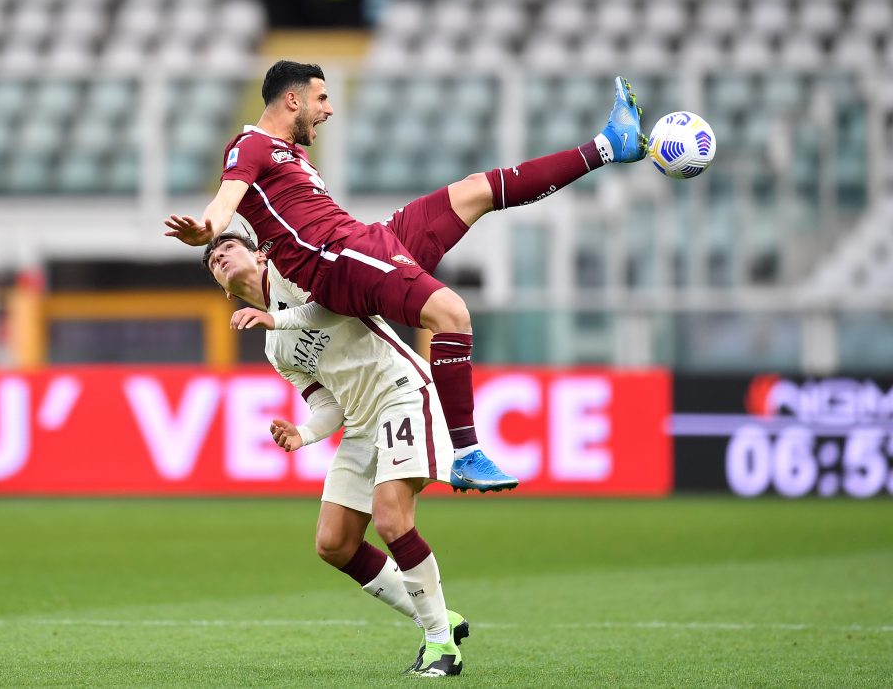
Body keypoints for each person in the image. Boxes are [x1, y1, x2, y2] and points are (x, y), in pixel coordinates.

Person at [165, 60, 647, 491]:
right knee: (452, 313)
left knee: (476, 189)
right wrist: (207, 227)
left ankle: (608, 146)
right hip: (343, 258)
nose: (329, 110)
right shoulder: (251, 145)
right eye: (322, 98)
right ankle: (466, 452)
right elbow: (227, 197)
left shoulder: (294, 156)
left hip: (367, 241)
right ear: (292, 99)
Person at [204, 226, 468, 676]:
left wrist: (278, 318)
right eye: (213, 261)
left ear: (260, 258)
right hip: (362, 422)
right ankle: (443, 619)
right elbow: (327, 404)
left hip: (400, 391)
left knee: (390, 517)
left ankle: (441, 646)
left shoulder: (295, 274)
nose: (221, 258)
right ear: (223, 291)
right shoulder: (274, 348)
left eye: (229, 248)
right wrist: (303, 435)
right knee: (334, 543)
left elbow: (329, 306)